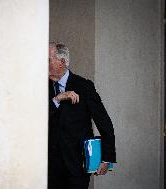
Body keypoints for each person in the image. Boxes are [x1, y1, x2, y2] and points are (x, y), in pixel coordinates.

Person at [48, 42, 116, 189]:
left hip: (77, 166)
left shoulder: (84, 86)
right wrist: (57, 98)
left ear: (62, 62)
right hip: (49, 167)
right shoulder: (40, 85)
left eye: (48, 60)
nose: (43, 64)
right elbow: (34, 118)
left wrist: (107, 158)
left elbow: (104, 122)